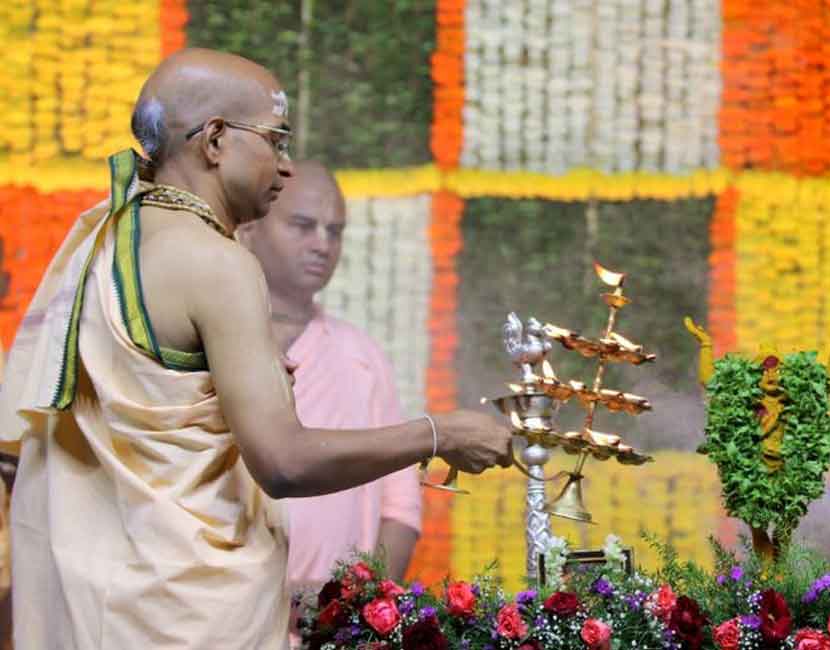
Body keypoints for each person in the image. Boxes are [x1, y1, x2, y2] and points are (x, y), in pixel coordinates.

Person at [0, 48, 511, 649]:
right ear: (214, 140)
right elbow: (283, 461)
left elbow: (21, 452)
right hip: (188, 620)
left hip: (93, 609)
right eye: (276, 140)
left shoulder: (100, 244)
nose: (286, 166)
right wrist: (441, 433)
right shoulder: (218, 264)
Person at [238, 160, 422, 592]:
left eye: (334, 231)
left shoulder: (362, 357)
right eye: (303, 225)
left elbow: (400, 507)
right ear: (249, 228)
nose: (322, 244)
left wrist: (356, 612)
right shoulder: (210, 343)